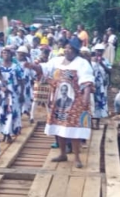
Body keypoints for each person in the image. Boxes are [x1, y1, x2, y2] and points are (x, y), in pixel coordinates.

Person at [25, 37, 94, 168]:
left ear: (76, 51)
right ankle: (62, 154)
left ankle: (77, 158)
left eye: (71, 49)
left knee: (74, 129)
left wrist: (86, 98)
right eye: (66, 48)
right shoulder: (56, 61)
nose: (68, 50)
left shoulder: (82, 63)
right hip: (58, 100)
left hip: (76, 101)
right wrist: (32, 66)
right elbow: (44, 69)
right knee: (59, 128)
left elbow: (87, 81)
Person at [0, 46, 25, 142]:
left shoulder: (16, 67)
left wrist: (22, 93)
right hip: (1, 93)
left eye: (7, 53)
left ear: (11, 55)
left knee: (10, 113)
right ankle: (4, 133)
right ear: (1, 54)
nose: (5, 54)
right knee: (1, 113)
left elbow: (21, 80)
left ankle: (8, 133)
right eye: (4, 52)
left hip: (13, 94)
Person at [91, 45, 109, 128]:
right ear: (95, 51)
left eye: (101, 51)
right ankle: (91, 123)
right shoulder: (91, 61)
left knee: (99, 104)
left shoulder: (105, 61)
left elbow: (109, 71)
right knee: (91, 103)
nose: (99, 52)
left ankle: (97, 124)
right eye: (98, 51)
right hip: (92, 85)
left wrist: (101, 63)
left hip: (101, 87)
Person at [16, 45, 33, 117]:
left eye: (23, 54)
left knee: (26, 98)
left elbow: (31, 72)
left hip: (27, 83)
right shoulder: (15, 62)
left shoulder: (28, 62)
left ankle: (25, 111)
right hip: (17, 83)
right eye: (20, 53)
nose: (21, 55)